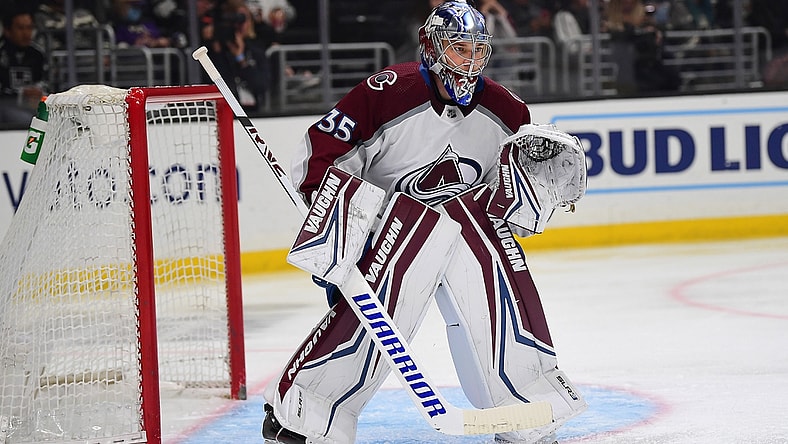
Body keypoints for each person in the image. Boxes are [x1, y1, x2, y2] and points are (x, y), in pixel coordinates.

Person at [261, 2, 588, 443]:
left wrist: (530, 195)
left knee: (497, 285)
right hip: (385, 233)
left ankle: (526, 408)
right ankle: (305, 412)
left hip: (465, 231)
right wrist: (338, 223)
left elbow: (502, 196)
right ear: (431, 47)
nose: (470, 61)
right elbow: (320, 155)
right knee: (373, 319)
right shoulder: (388, 93)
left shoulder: (507, 111)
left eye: (478, 49)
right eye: (459, 48)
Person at [0, 7, 48, 125]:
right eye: (20, 28)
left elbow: (46, 83)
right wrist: (21, 95)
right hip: (5, 105)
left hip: (34, 105)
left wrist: (39, 92)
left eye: (29, 28)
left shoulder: (38, 55)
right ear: (7, 30)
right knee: (26, 120)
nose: (26, 33)